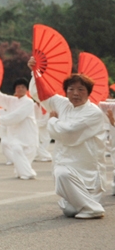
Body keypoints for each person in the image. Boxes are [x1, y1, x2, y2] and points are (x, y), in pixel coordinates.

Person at [28, 57, 107, 219]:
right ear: (66, 91)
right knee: (69, 210)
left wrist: (52, 120)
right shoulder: (62, 103)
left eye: (81, 89)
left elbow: (69, 134)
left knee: (62, 174)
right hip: (66, 161)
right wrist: (35, 70)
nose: (75, 93)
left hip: (87, 169)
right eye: (71, 89)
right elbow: (41, 93)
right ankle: (85, 205)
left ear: (88, 92)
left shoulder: (93, 112)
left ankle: (93, 208)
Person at [0, 77, 38, 179]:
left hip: (28, 134)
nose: (20, 89)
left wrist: (1, 119)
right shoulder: (11, 100)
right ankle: (28, 174)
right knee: (16, 149)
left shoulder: (29, 102)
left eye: (23, 87)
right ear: (15, 89)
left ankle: (21, 172)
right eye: (18, 87)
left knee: (26, 156)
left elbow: (17, 115)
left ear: (26, 89)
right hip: (15, 134)